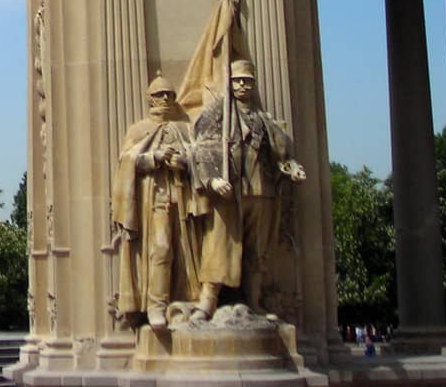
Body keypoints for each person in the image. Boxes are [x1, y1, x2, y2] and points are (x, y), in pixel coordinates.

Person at [188, 59, 305, 319]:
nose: (243, 85)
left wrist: (292, 166)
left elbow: (280, 151)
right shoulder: (216, 114)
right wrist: (212, 180)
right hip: (229, 192)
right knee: (219, 245)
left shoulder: (263, 119)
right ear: (229, 83)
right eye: (238, 80)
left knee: (257, 250)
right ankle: (207, 301)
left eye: (248, 81)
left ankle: (255, 301)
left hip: (261, 192)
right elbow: (200, 149)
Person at [111, 74, 197, 330]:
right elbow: (127, 160)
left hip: (182, 197)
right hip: (154, 197)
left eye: (169, 95)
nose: (165, 99)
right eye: (160, 95)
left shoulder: (183, 129)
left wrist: (182, 161)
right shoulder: (139, 130)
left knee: (184, 250)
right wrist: (155, 158)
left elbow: (196, 156)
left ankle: (186, 301)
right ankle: (156, 305)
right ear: (150, 99)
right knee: (160, 248)